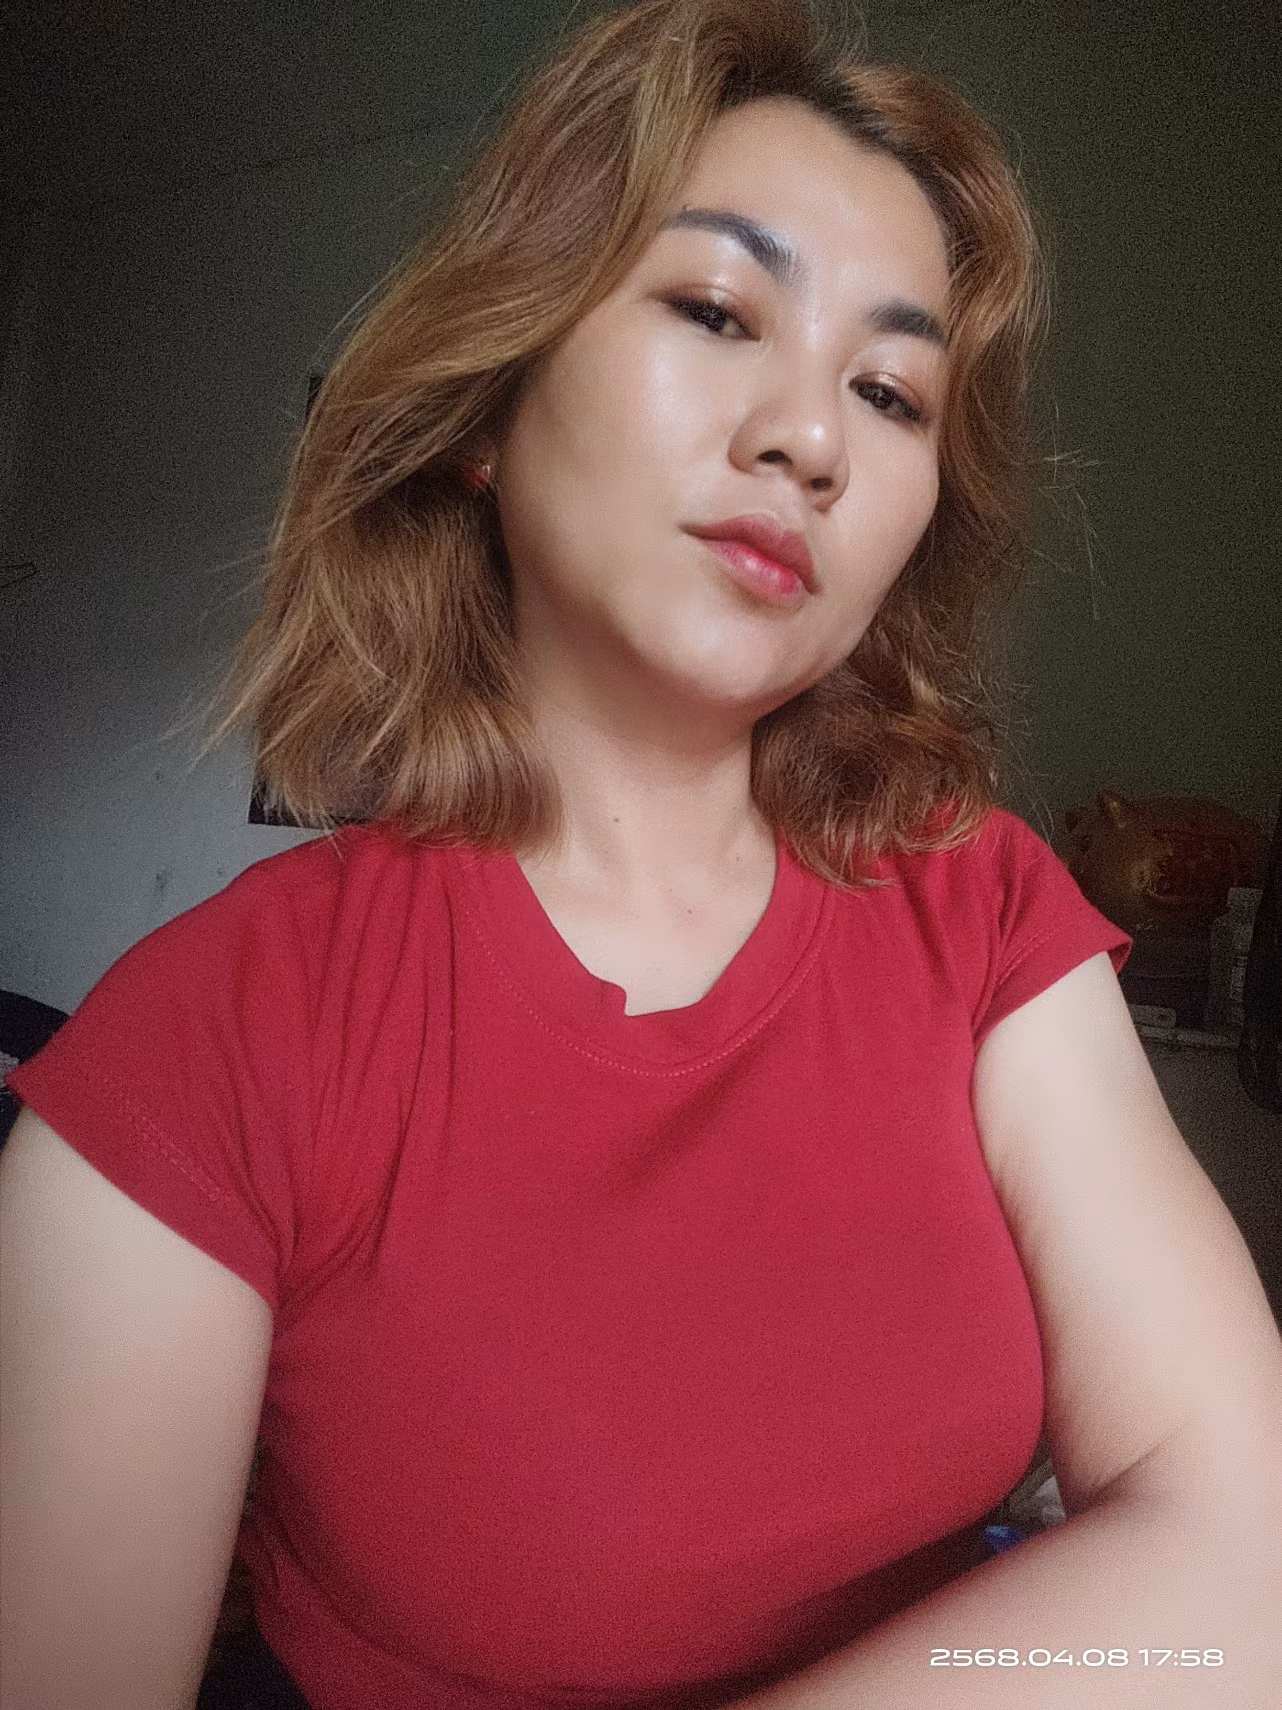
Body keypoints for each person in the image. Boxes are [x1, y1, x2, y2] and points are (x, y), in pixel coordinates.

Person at [2, 0, 1280, 1705]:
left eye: (889, 391)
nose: (811, 438)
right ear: (489, 401)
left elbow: (1241, 1553)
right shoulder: (214, 1037)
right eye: (714, 309)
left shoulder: (973, 903)